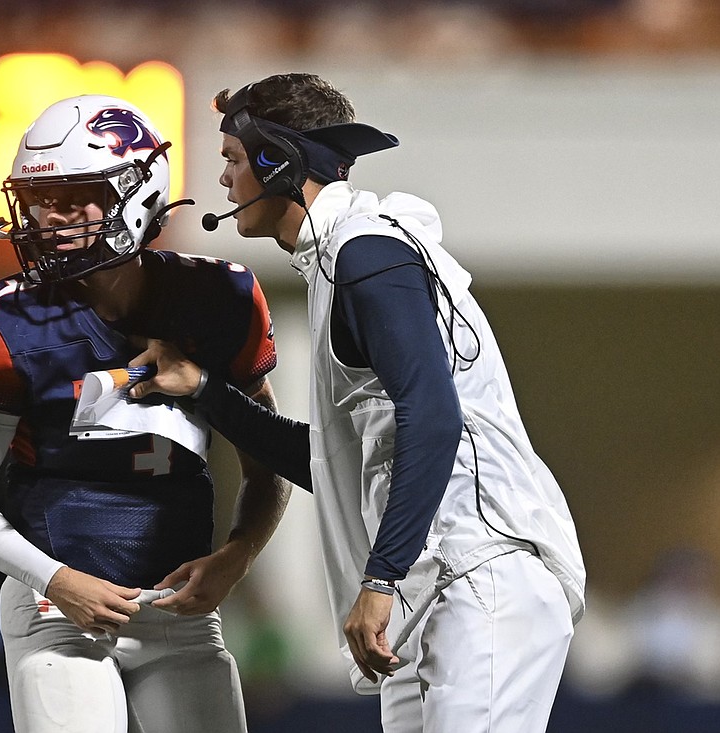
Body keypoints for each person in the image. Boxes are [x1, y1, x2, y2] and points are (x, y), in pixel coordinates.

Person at [129, 73, 586, 732]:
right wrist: (204, 391)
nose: (224, 180)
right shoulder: (345, 258)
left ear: (276, 162)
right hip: (433, 580)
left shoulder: (366, 249)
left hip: (481, 567)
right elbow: (336, 462)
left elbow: (434, 414)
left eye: (232, 158)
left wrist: (380, 578)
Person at [0, 94, 290, 733]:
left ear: (138, 190)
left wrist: (237, 555)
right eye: (43, 198)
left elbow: (269, 464)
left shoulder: (221, 297)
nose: (55, 216)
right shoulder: (4, 320)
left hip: (178, 612)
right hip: (55, 609)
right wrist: (58, 580)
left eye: (78, 195)